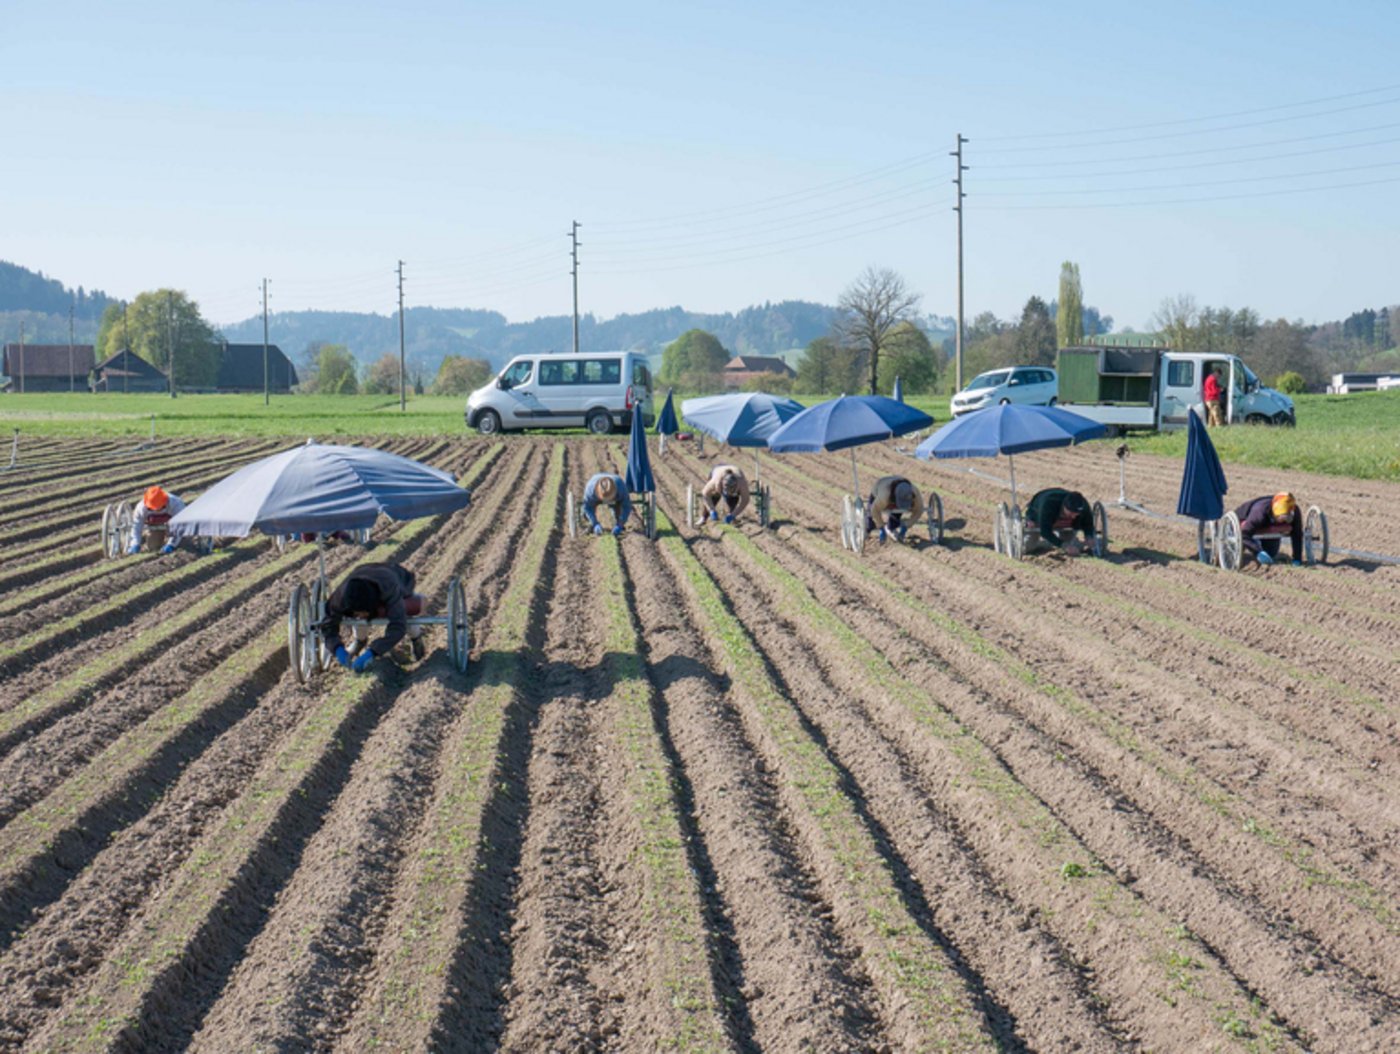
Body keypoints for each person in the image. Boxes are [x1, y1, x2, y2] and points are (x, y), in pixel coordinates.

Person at [320, 561, 426, 673]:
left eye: (362, 613)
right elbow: (328, 624)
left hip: (396, 576)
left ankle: (416, 637)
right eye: (357, 613)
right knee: (358, 617)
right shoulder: (340, 597)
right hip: (363, 571)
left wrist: (373, 651)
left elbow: (398, 626)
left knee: (406, 609)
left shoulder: (389, 588)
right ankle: (360, 641)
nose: (360, 616)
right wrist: (337, 648)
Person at [1235, 492, 1302, 566]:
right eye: (1282, 519)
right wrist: (1258, 551)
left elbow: (1297, 535)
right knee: (1244, 547)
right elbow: (1244, 534)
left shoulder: (1295, 511)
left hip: (1270, 526)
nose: (1284, 521)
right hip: (1248, 519)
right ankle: (1255, 543)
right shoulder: (1259, 512)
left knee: (1271, 554)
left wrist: (1297, 558)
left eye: (1287, 519)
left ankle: (1261, 545)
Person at [1025, 487, 1095, 555]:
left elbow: (1088, 524)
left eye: (1076, 514)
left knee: (1069, 544)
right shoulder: (1049, 505)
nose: (1073, 517)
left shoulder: (1083, 506)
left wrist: (1089, 536)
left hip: (1065, 524)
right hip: (1040, 510)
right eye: (1071, 513)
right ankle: (1044, 543)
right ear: (1064, 507)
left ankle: (1052, 543)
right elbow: (1045, 531)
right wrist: (1064, 545)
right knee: (1029, 547)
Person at [129, 485, 187, 554]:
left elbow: (180, 526)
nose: (155, 510)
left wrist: (171, 545)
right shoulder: (141, 507)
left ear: (164, 502)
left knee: (182, 545)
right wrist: (135, 543)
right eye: (152, 508)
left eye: (158, 507)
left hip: (174, 526)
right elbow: (136, 526)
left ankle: (172, 541)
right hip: (155, 526)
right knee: (153, 547)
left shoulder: (176, 504)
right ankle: (148, 537)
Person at [864, 475, 924, 543]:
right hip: (879, 487)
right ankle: (868, 529)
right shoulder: (884, 496)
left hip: (898, 486)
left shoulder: (915, 493)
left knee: (896, 519)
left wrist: (906, 525)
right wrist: (881, 527)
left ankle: (891, 526)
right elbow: (874, 510)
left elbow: (919, 510)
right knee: (870, 520)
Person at [584, 472, 632, 536]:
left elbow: (626, 507)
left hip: (616, 495)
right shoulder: (590, 490)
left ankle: (617, 520)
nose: (607, 500)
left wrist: (620, 524)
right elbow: (588, 508)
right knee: (587, 512)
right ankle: (591, 524)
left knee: (617, 508)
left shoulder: (621, 487)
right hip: (595, 492)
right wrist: (595, 523)